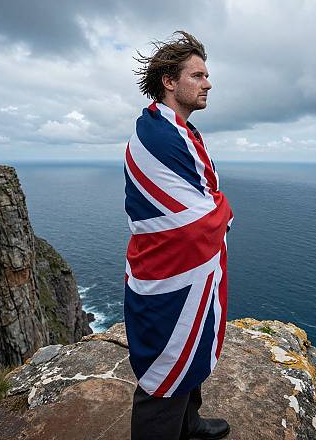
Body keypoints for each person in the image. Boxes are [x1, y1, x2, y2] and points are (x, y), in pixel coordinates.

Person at [124, 31, 233, 440]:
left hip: (190, 271)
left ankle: (190, 424)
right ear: (170, 81)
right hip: (168, 273)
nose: (208, 83)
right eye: (198, 75)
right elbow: (193, 222)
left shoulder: (183, 132)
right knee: (166, 362)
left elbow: (205, 196)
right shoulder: (157, 135)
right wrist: (223, 212)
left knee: (193, 344)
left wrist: (215, 209)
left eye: (207, 76)